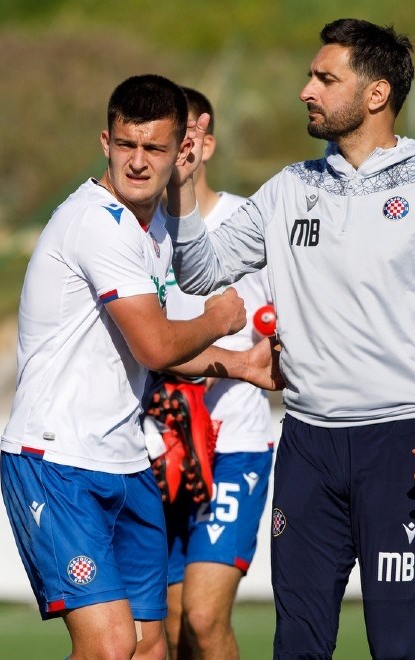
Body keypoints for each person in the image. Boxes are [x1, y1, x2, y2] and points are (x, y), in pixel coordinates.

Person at [167, 18, 415, 659]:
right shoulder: (287, 190)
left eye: (325, 78)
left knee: (396, 646)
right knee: (295, 645)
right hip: (307, 446)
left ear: (375, 94)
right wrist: (183, 190)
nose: (306, 90)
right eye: (310, 76)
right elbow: (201, 271)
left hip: (402, 444)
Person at [0, 74, 280, 660]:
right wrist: (222, 319)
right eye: (126, 145)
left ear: (180, 152)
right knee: (108, 646)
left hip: (126, 461)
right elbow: (155, 347)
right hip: (58, 459)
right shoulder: (96, 223)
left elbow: (145, 348)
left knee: (152, 645)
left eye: (153, 148)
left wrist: (239, 365)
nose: (136, 161)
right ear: (106, 141)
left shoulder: (154, 228)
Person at [158, 89, 276, 660]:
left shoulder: (247, 221)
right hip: (156, 444)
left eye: (187, 137)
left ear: (205, 142)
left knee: (204, 618)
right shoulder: (140, 229)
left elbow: (283, 324)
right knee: (170, 620)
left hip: (234, 440)